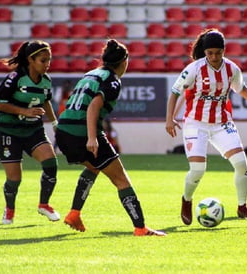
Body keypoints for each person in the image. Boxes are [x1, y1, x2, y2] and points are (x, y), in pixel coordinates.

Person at [165, 29, 247, 225]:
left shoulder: (232, 69)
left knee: (241, 164)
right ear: (205, 52)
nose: (214, 57)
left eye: (218, 52)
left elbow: (242, 89)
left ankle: (243, 207)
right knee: (198, 170)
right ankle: (187, 199)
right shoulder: (194, 68)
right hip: (195, 124)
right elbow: (175, 92)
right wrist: (169, 119)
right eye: (210, 53)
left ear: (224, 50)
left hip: (222, 124)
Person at [55, 39, 165, 236]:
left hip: (64, 132)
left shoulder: (91, 74)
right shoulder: (112, 80)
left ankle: (74, 213)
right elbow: (93, 107)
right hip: (82, 132)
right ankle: (140, 228)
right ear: (124, 61)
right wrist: (91, 137)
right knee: (121, 179)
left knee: (94, 167)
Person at [0, 40, 60, 224]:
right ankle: (9, 210)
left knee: (51, 162)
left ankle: (44, 205)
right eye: (43, 60)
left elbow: (45, 101)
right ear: (31, 60)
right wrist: (24, 111)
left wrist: (55, 122)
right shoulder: (15, 78)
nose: (47, 64)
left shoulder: (46, 81)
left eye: (49, 60)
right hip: (9, 132)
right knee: (14, 178)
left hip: (33, 130)